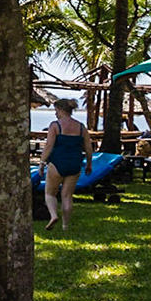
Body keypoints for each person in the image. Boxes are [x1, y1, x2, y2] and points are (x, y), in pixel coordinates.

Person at [42, 97, 92, 234]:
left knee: (50, 193)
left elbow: (49, 145)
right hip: (75, 163)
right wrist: (89, 164)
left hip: (57, 162)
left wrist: (42, 162)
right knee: (67, 196)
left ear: (60, 110)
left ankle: (53, 215)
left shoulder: (55, 125)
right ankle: (65, 226)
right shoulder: (81, 127)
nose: (55, 113)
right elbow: (88, 148)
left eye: (56, 110)